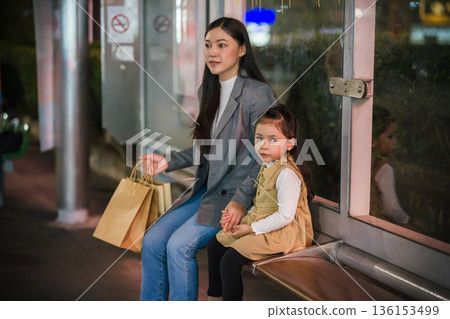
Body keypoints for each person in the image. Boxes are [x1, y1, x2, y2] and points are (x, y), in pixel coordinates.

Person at [139, 17, 276, 301]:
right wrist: (168, 162)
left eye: (222, 45)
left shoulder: (256, 94)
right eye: (208, 45)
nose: (212, 52)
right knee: (152, 241)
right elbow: (207, 147)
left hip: (235, 199)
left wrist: (241, 200)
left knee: (179, 246)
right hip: (207, 191)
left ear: (241, 50)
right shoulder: (209, 90)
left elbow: (263, 157)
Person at [207, 105, 314, 301]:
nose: (264, 145)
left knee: (230, 261)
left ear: (289, 144)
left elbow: (285, 216)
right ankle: (214, 299)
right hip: (264, 223)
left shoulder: (287, 173)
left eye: (273, 139)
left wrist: (250, 228)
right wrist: (238, 217)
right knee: (215, 245)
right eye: (259, 138)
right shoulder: (268, 165)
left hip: (285, 232)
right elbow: (262, 203)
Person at [370, 106, 409, 224]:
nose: (395, 141)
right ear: (373, 140)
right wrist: (405, 219)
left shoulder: (358, 163)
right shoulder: (384, 169)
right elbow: (392, 209)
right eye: (390, 136)